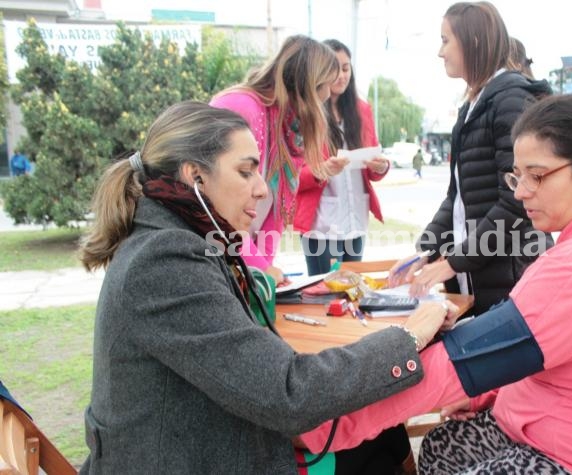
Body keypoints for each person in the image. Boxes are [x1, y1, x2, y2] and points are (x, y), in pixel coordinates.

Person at [300, 94, 572, 474]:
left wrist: (322, 426)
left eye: (537, 175)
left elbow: (457, 365)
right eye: (516, 175)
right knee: (441, 447)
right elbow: (545, 352)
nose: (522, 191)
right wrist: (485, 392)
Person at [76, 101, 454, 474]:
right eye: (246, 173)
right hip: (184, 458)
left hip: (197, 442)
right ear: (195, 177)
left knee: (380, 437)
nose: (261, 190)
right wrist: (408, 336)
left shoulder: (177, 238)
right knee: (379, 450)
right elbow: (287, 392)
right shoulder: (164, 259)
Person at [388, 1, 553, 315]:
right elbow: (458, 198)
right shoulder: (474, 106)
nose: (440, 52)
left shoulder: (510, 100)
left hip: (511, 280)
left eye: (445, 40)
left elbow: (517, 202)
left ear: (473, 41)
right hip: (481, 278)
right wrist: (424, 252)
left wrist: (451, 263)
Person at [210, 35, 339, 285]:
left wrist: (264, 270)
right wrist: (258, 267)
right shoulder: (240, 107)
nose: (328, 95)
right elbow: (219, 208)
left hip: (242, 260)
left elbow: (277, 210)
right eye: (326, 85)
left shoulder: (291, 128)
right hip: (212, 255)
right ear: (309, 84)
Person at [294, 38, 390, 277]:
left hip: (355, 217)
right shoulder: (305, 111)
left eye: (346, 68)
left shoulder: (362, 109)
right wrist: (323, 170)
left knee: (350, 287)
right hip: (321, 223)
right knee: (322, 288)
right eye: (334, 69)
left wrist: (380, 166)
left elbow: (372, 167)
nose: (341, 75)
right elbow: (293, 175)